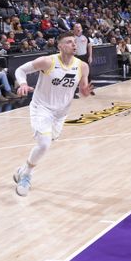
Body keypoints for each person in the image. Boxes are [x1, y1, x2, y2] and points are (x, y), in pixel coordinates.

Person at [12, 31, 94, 196]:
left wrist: (85, 92)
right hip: (41, 108)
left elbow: (82, 88)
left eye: (74, 42)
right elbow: (20, 70)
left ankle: (22, 169)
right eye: (69, 42)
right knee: (44, 144)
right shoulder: (47, 62)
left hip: (61, 113)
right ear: (60, 46)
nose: (74, 44)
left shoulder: (82, 66)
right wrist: (22, 83)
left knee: (49, 141)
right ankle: (27, 175)